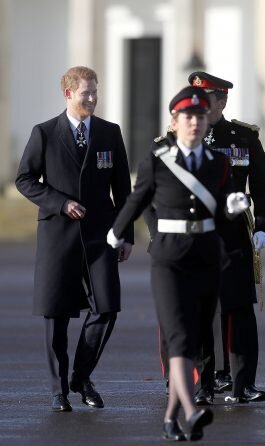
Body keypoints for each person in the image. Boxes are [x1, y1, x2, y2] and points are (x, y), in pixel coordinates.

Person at [107, 86, 249, 440]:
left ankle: (171, 417)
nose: (195, 123)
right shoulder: (158, 160)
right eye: (187, 117)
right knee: (179, 336)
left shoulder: (218, 163)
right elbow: (137, 199)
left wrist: (234, 209)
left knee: (200, 331)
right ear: (175, 120)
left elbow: (223, 205)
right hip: (169, 258)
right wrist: (118, 232)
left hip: (206, 256)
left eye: (200, 117)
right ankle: (190, 410)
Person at [15, 66, 133, 412]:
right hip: (58, 235)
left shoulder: (110, 133)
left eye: (95, 91)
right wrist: (60, 202)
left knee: (107, 307)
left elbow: (123, 189)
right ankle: (59, 390)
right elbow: (25, 179)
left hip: (101, 235)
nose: (93, 98)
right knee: (56, 315)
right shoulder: (46, 133)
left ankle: (81, 377)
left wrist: (125, 234)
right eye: (86, 93)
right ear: (69, 94)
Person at [182, 71, 265, 404]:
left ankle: (242, 384)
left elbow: (263, 185)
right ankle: (203, 385)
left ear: (221, 102)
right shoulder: (183, 137)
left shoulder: (242, 137)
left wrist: (263, 225)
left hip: (233, 234)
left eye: (206, 101)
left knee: (239, 311)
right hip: (196, 236)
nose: (199, 109)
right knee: (200, 312)